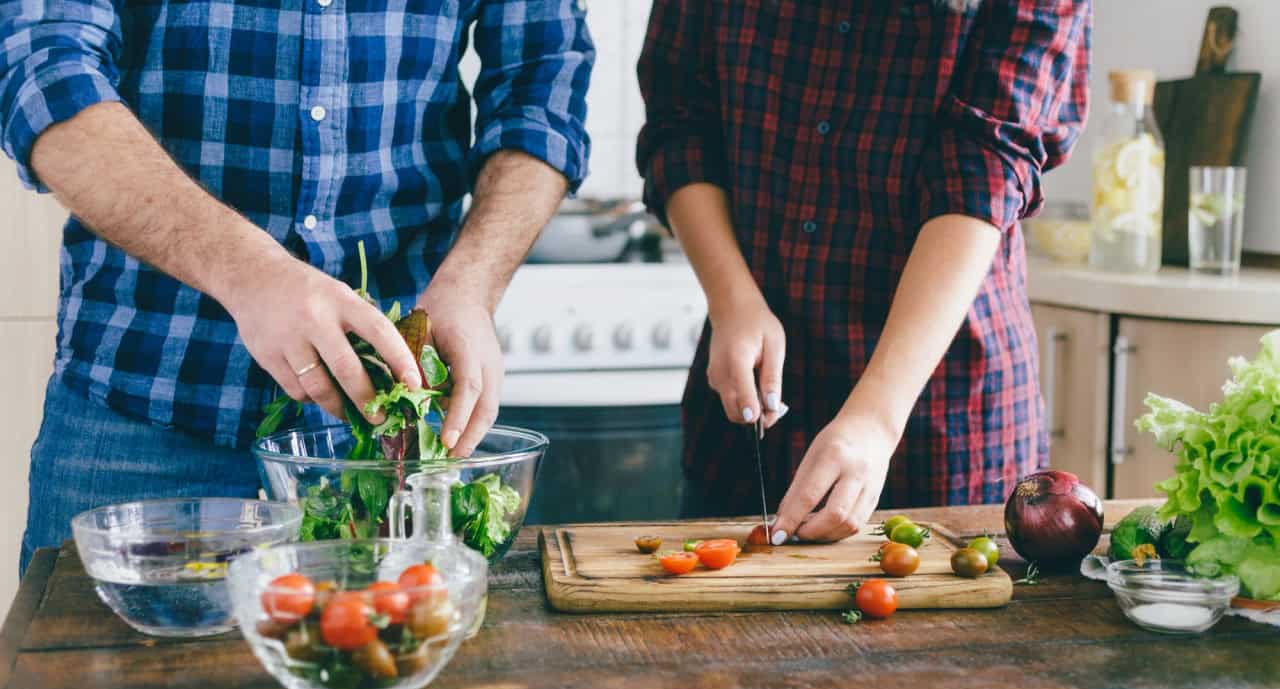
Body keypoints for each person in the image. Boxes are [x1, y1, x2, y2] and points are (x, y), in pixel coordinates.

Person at [2, 0, 593, 575]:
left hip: (396, 436)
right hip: (141, 412)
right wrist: (247, 271)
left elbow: (541, 85)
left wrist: (473, 282)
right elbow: (43, 67)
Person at [636, 0, 1089, 544]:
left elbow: (987, 165)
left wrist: (877, 416)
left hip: (945, 419)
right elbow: (679, 122)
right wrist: (733, 298)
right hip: (745, 421)